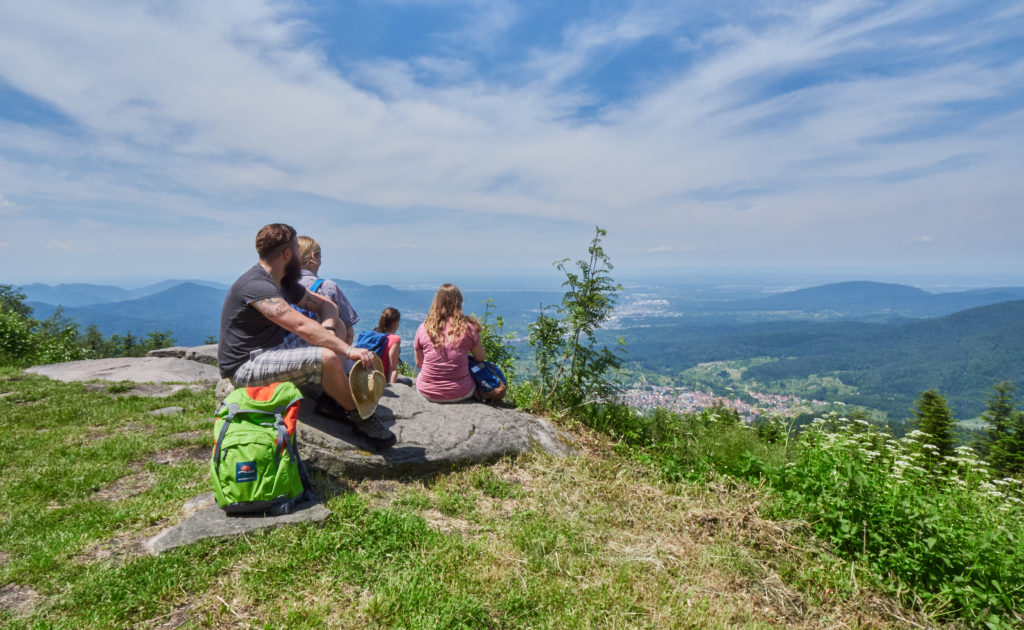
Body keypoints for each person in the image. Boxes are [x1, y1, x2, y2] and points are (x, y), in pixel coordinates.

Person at [217, 223, 395, 448]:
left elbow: (327, 306)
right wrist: (347, 350)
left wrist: (330, 331)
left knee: (337, 326)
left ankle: (332, 396)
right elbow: (301, 325)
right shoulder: (256, 285)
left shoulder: (282, 280)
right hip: (245, 365)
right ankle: (358, 415)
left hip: (273, 347)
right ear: (288, 254)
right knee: (328, 357)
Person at [413, 284, 485, 403]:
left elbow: (419, 363)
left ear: (436, 302)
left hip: (427, 391)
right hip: (461, 391)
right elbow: (481, 358)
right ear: (459, 303)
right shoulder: (468, 328)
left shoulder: (423, 328)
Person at [295, 236, 359, 346]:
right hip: (323, 356)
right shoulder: (326, 287)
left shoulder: (278, 286)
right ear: (314, 256)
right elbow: (349, 333)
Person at [374, 307, 402, 383]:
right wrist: (391, 389)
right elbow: (393, 369)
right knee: (408, 382)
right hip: (382, 380)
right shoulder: (394, 339)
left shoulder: (373, 334)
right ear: (395, 323)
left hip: (369, 378)